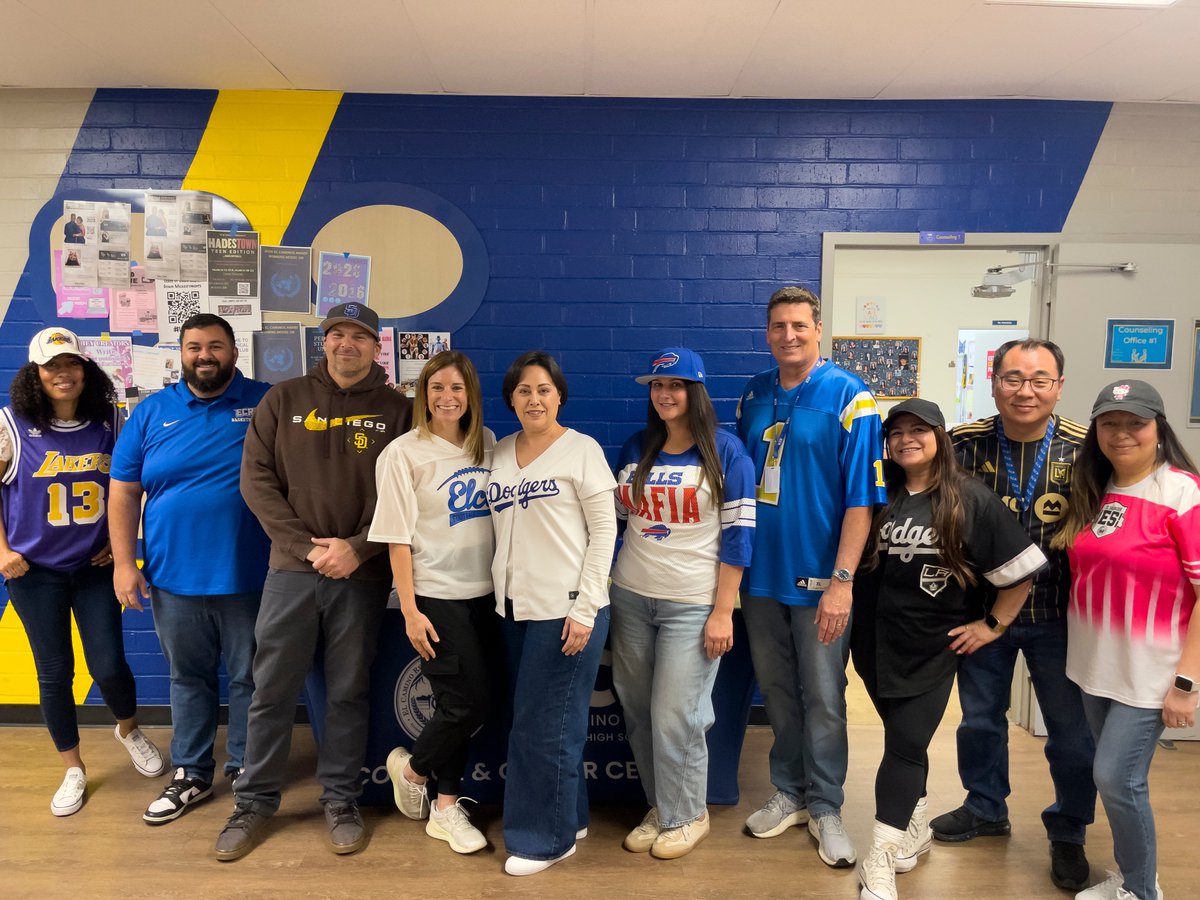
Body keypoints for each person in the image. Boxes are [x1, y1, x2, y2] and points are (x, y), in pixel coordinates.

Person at [214, 302, 411, 861]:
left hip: (362, 575)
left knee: (348, 691)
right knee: (272, 690)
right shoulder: (283, 399)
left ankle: (341, 799)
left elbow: (404, 494)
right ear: (324, 343)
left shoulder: (400, 411)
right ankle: (254, 801)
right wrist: (307, 547)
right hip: (291, 572)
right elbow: (256, 481)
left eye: (359, 336)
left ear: (376, 346)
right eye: (337, 335)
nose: (347, 344)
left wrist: (358, 548)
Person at [852, 398, 1046, 900]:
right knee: (905, 741)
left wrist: (993, 625)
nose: (906, 440)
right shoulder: (878, 491)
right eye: (896, 432)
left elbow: (1021, 571)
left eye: (918, 430)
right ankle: (914, 826)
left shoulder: (969, 497)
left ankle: (879, 857)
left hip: (933, 648)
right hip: (874, 644)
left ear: (940, 437)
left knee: (904, 745)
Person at [931, 339, 1096, 892]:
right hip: (983, 617)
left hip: (1063, 616)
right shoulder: (961, 445)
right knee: (980, 720)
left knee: (1071, 733)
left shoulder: (1088, 447)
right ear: (994, 382)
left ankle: (1069, 829)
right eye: (1013, 378)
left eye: (1040, 380)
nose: (1026, 391)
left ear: (1059, 387)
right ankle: (985, 808)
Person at [736, 286, 885, 867]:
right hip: (759, 576)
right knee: (775, 689)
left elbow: (861, 499)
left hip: (821, 579)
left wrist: (843, 581)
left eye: (799, 325)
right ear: (767, 333)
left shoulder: (851, 396)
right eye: (778, 326)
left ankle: (826, 805)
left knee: (823, 695)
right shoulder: (754, 393)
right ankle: (789, 791)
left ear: (818, 330)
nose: (789, 335)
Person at [108, 313, 271, 825]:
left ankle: (245, 769)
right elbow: (124, 492)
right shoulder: (151, 412)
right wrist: (124, 563)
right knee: (189, 679)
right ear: (180, 353)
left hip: (251, 576)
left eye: (215, 346)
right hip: (172, 578)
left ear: (234, 352)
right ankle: (193, 773)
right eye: (194, 346)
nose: (205, 355)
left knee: (250, 678)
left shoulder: (267, 402)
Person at [0, 327, 164, 817]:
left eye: (71, 363)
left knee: (108, 665)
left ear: (85, 370)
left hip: (94, 568)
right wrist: (1, 550)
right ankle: (73, 767)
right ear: (35, 374)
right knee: (55, 673)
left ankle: (129, 730)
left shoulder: (112, 420)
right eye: (51, 366)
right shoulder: (10, 425)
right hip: (34, 572)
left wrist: (121, 543)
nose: (63, 374)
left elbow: (134, 487)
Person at [1053, 380, 1199, 900]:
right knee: (1117, 780)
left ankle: (1140, 890)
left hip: (1151, 671)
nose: (1121, 433)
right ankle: (1132, 874)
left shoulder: (1182, 493)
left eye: (1135, 423)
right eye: (1110, 423)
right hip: (1096, 665)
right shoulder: (1094, 487)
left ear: (1158, 427)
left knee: (1117, 779)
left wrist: (1186, 683)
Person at [610, 347, 755, 859]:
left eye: (675, 385)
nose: (665, 394)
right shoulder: (636, 447)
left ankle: (690, 815)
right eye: (657, 385)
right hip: (631, 597)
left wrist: (723, 611)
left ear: (696, 391)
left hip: (692, 604)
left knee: (678, 715)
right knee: (637, 710)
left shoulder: (727, 452)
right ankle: (663, 807)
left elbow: (739, 538)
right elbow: (615, 521)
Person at [487, 351, 617, 876]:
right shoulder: (499, 452)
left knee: (544, 731)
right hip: (512, 610)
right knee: (546, 723)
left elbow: (605, 533)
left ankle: (545, 840)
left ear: (559, 396)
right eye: (524, 390)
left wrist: (585, 608)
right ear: (511, 399)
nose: (534, 399)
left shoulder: (582, 450)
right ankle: (572, 818)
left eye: (543, 389)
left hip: (566, 611)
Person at [372, 351, 499, 854]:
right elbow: (396, 538)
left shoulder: (486, 443)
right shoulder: (402, 453)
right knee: (467, 703)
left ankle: (445, 808)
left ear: (471, 395)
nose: (447, 397)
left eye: (457, 388)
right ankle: (413, 771)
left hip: (487, 594)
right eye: (437, 387)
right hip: (436, 595)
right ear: (423, 394)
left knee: (459, 704)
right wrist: (410, 610)